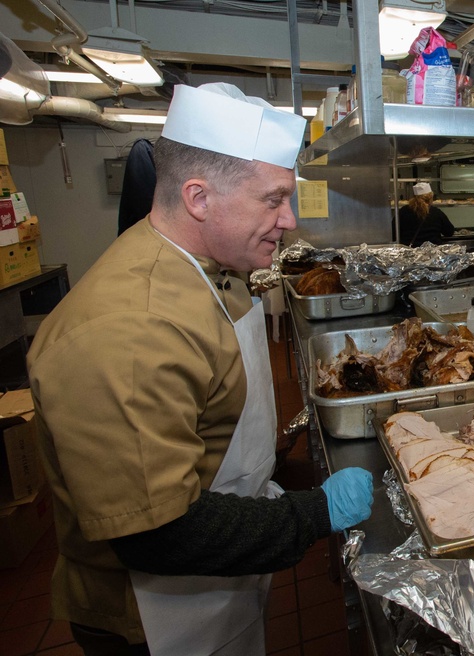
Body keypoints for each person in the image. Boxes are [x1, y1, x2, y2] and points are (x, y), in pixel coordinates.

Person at [26, 83, 374, 655]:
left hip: (216, 586)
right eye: (272, 199)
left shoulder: (207, 269)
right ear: (199, 197)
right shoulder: (128, 330)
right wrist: (315, 511)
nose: (289, 219)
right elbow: (160, 532)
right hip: (151, 619)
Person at [399, 181, 455, 246]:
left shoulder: (403, 211)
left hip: (410, 252)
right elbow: (449, 232)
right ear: (431, 197)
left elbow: (393, 233)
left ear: (414, 197)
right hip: (432, 253)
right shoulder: (436, 212)